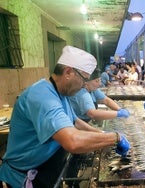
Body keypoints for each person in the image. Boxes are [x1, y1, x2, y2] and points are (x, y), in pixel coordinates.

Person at [0, 46, 130, 187]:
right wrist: (115, 138)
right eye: (83, 79)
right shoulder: (42, 96)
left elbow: (75, 122)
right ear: (68, 72)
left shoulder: (61, 94)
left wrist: (101, 133)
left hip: (48, 167)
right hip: (25, 177)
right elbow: (72, 141)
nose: (83, 86)